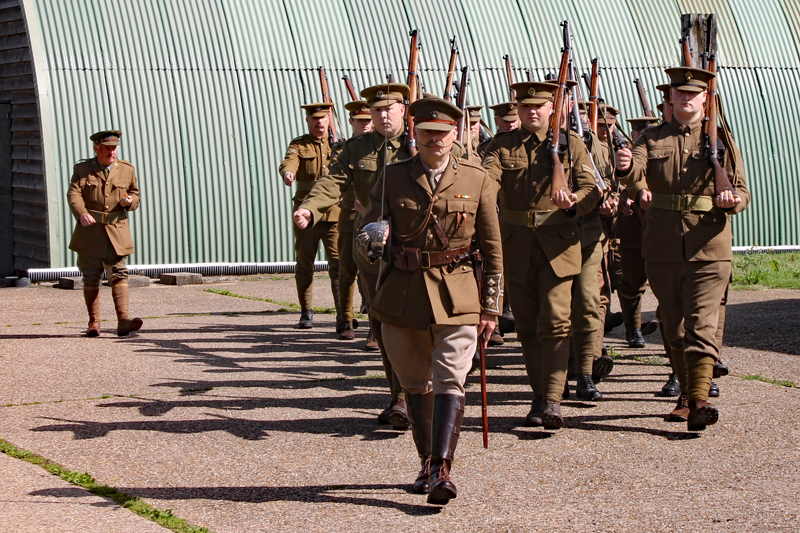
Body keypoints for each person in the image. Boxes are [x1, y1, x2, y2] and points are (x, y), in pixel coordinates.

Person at [356, 97, 503, 505]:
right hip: (402, 297)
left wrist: (491, 307)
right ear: (415, 134)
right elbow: (363, 235)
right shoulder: (393, 176)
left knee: (451, 376)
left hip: (459, 295)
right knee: (414, 383)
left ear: (455, 134)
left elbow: (493, 250)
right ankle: (425, 462)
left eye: (441, 133)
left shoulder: (476, 178)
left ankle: (441, 468)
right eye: (426, 133)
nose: (434, 140)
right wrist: (372, 242)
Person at [616, 67, 750, 430]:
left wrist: (731, 200)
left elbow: (742, 190)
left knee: (701, 325)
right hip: (662, 246)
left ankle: (699, 401)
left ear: (705, 98)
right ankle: (687, 395)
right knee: (673, 326)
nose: (686, 98)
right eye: (680, 93)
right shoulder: (651, 137)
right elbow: (635, 172)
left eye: (694, 93)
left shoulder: (720, 139)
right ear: (671, 98)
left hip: (710, 246)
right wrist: (625, 168)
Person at [294, 83, 415, 428]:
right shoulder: (356, 148)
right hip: (373, 248)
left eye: (389, 109)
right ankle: (399, 397)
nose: (382, 115)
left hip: (415, 246)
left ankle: (421, 392)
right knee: (384, 324)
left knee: (415, 324)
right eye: (376, 110)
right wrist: (310, 207)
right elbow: (332, 181)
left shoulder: (420, 141)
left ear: (403, 109)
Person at [482, 82, 601, 429]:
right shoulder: (501, 145)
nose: (532, 111)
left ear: (552, 108)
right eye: (525, 106)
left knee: (556, 320)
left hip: (558, 245)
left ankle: (552, 399)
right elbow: (487, 183)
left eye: (539, 106)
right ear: (517, 109)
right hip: (516, 245)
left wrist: (574, 201)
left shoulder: (571, 144)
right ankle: (539, 396)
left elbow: (591, 188)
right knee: (527, 326)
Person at [66, 130, 142, 337]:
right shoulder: (82, 169)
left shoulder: (126, 169)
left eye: (114, 148)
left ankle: (123, 320)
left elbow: (135, 194)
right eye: (107, 148)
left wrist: (130, 202)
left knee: (119, 273)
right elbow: (74, 194)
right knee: (91, 276)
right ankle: (94, 322)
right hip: (90, 232)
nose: (111, 152)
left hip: (117, 232)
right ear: (96, 148)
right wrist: (81, 213)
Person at [279, 102, 341, 330]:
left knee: (339, 265)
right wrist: (288, 173)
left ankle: (343, 313)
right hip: (305, 215)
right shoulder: (299, 144)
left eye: (323, 118)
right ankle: (306, 311)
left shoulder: (340, 145)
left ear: (328, 120)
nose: (319, 122)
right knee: (305, 263)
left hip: (334, 213)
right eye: (314, 118)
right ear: (308, 120)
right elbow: (290, 161)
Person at [336, 100, 374, 340]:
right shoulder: (344, 150)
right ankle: (346, 319)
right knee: (347, 271)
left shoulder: (380, 148)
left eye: (368, 120)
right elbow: (334, 179)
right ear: (351, 122)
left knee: (372, 273)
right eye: (360, 121)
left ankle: (374, 326)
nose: (365, 125)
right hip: (350, 217)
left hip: (374, 219)